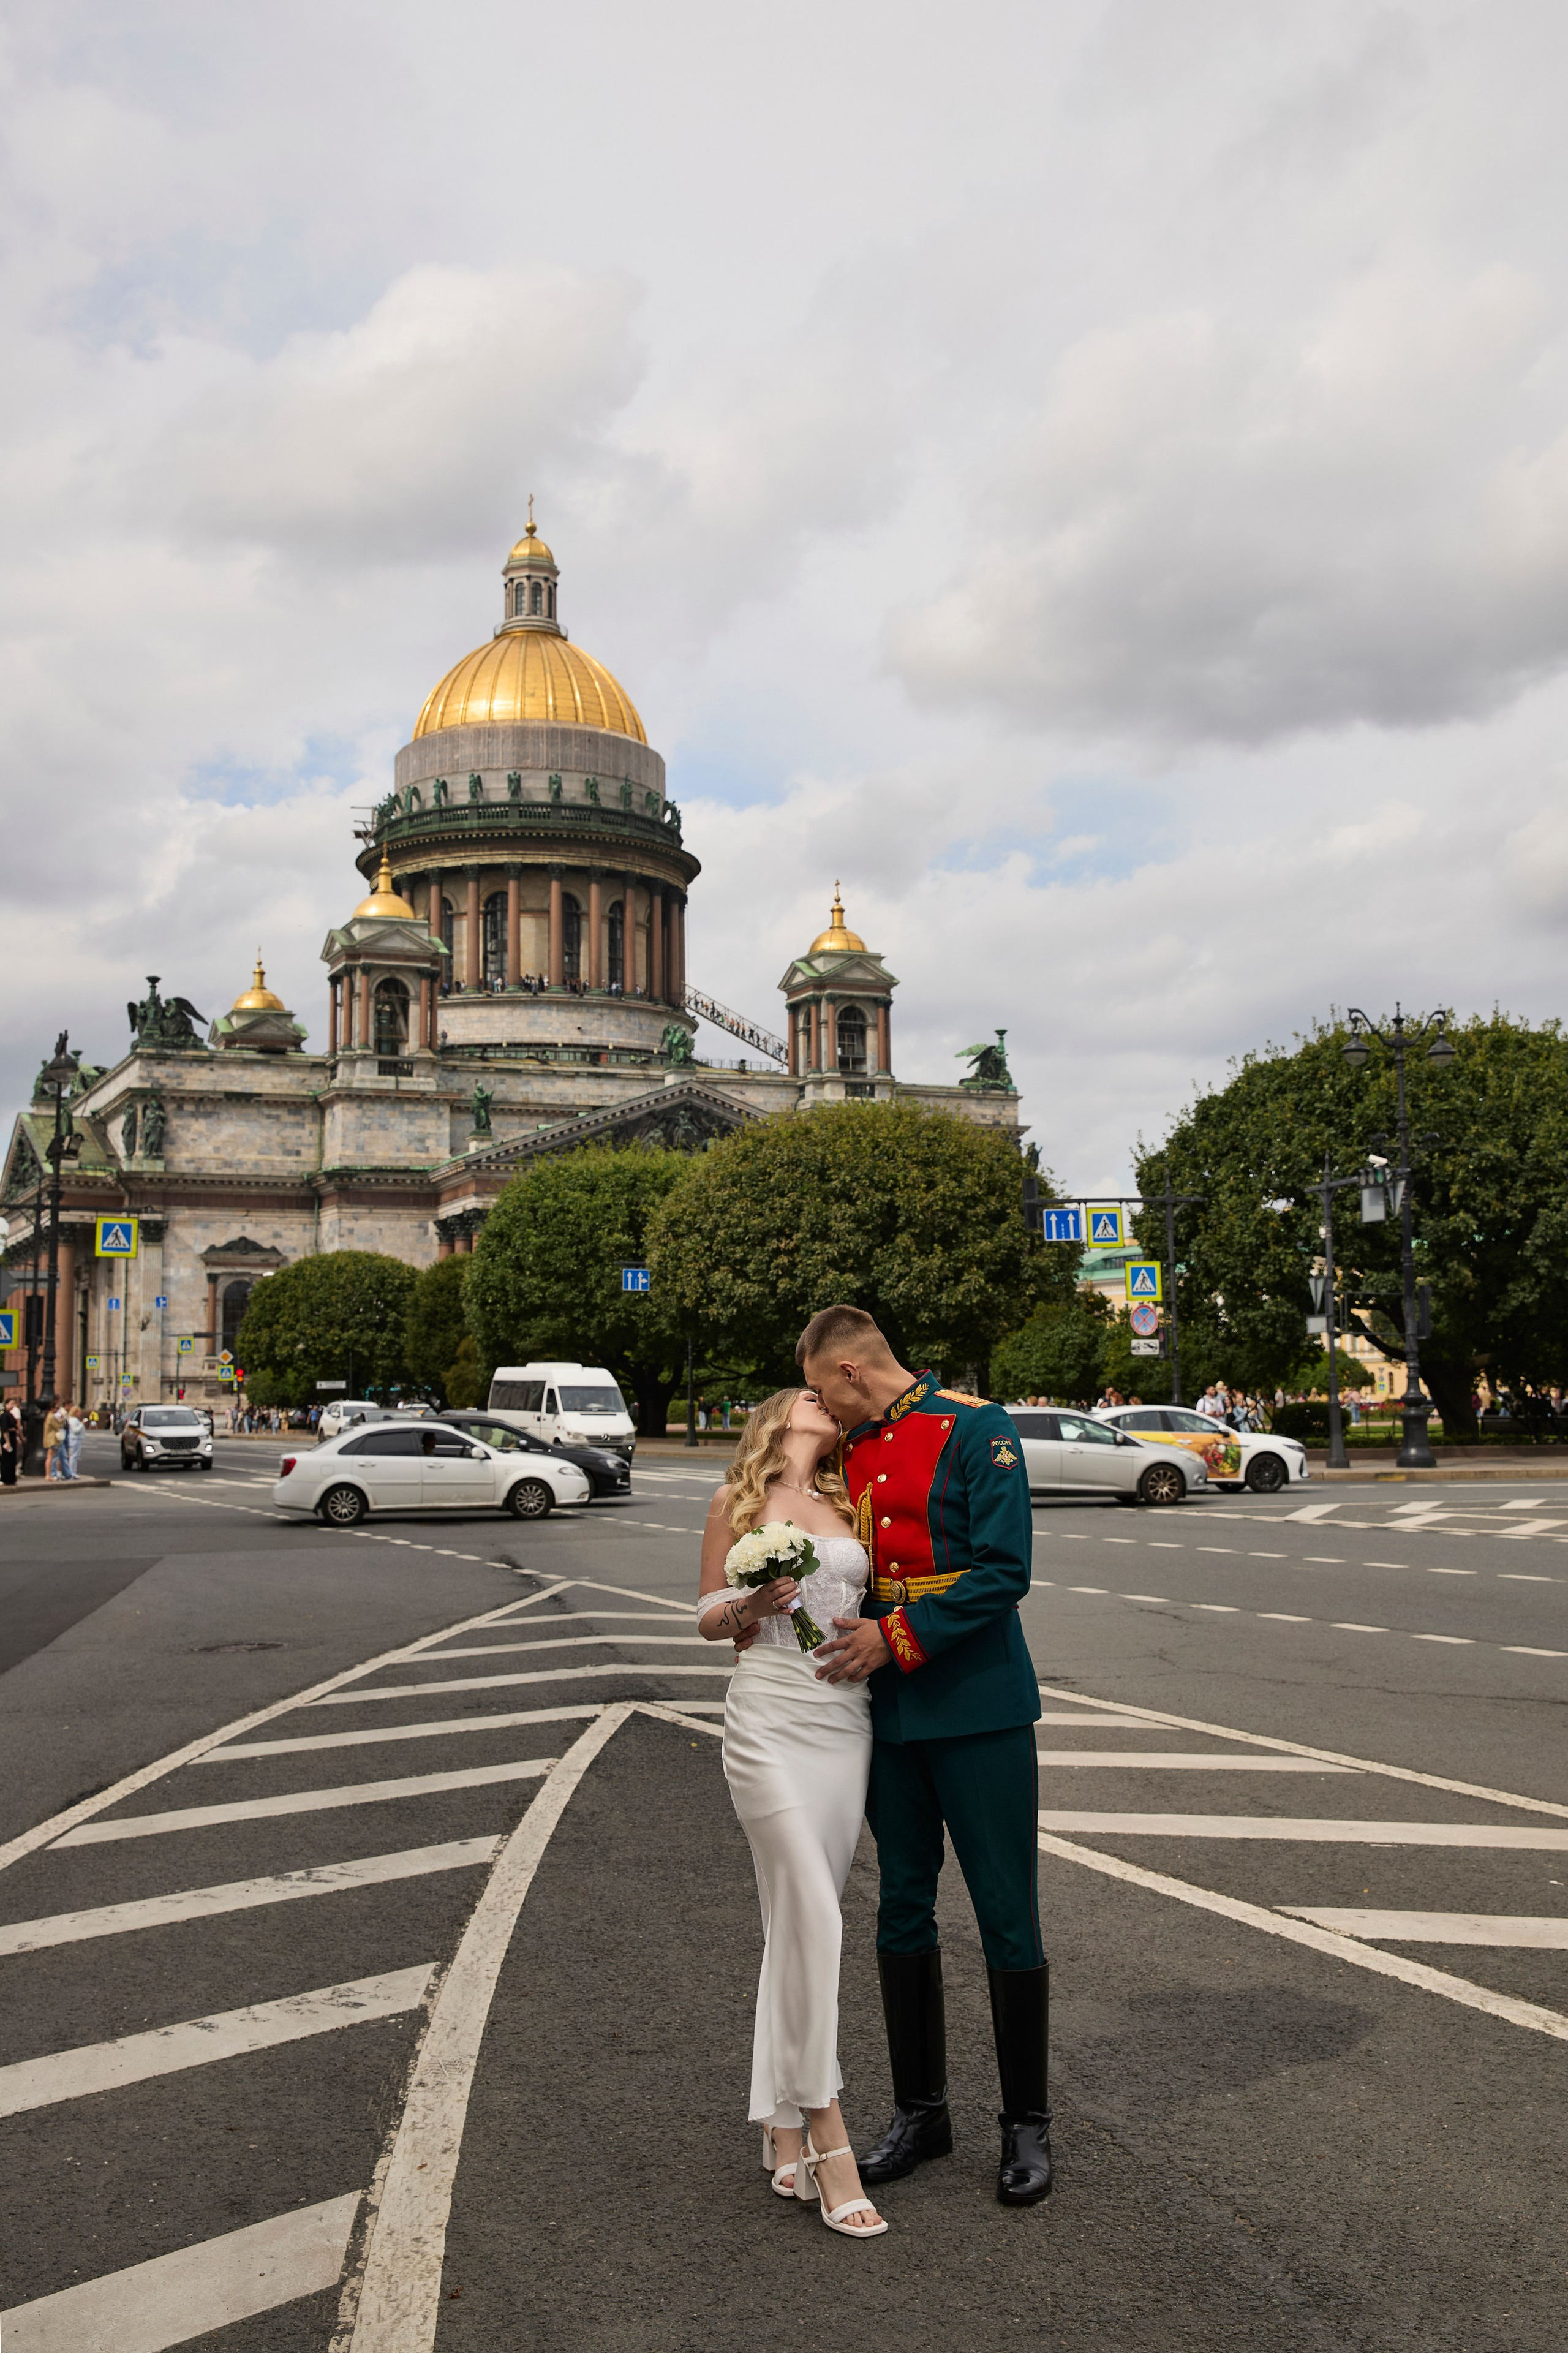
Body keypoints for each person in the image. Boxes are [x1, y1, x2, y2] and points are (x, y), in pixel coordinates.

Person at [801, 1305, 1051, 2208]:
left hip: (975, 1704)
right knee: (901, 1907)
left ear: (851, 1373)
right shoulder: (849, 1451)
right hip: (890, 1713)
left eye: (825, 1393)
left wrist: (897, 1637)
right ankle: (923, 2114)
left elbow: (1003, 1570)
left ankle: (1026, 2124)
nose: (824, 1413)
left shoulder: (978, 1429)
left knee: (1004, 1912)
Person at [696, 1388, 887, 2238]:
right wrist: (751, 1608)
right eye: (809, 1392)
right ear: (776, 1417)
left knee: (796, 1926)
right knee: (814, 1912)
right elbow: (706, 1616)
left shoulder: (851, 1503)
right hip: (767, 1715)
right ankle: (825, 2128)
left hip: (843, 1721)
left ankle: (776, 2121)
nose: (824, 1399)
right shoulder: (735, 1502)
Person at [42, 1397, 67, 1481]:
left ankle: (49, 1475)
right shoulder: (51, 1417)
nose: (57, 1410)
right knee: (51, 1457)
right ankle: (49, 1475)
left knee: (51, 1457)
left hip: (50, 1439)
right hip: (52, 1439)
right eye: (56, 1408)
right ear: (52, 1408)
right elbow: (58, 1427)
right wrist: (61, 1419)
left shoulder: (49, 1416)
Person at [0, 1400, 22, 1486]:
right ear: (6, 1405)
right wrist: (8, 1441)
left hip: (12, 1437)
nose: (12, 1406)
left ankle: (11, 1478)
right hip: (7, 1439)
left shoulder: (11, 1415)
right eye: (10, 1404)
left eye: (14, 1404)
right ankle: (5, 1478)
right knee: (6, 1459)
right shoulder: (4, 1416)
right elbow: (5, 1430)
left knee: (12, 1458)